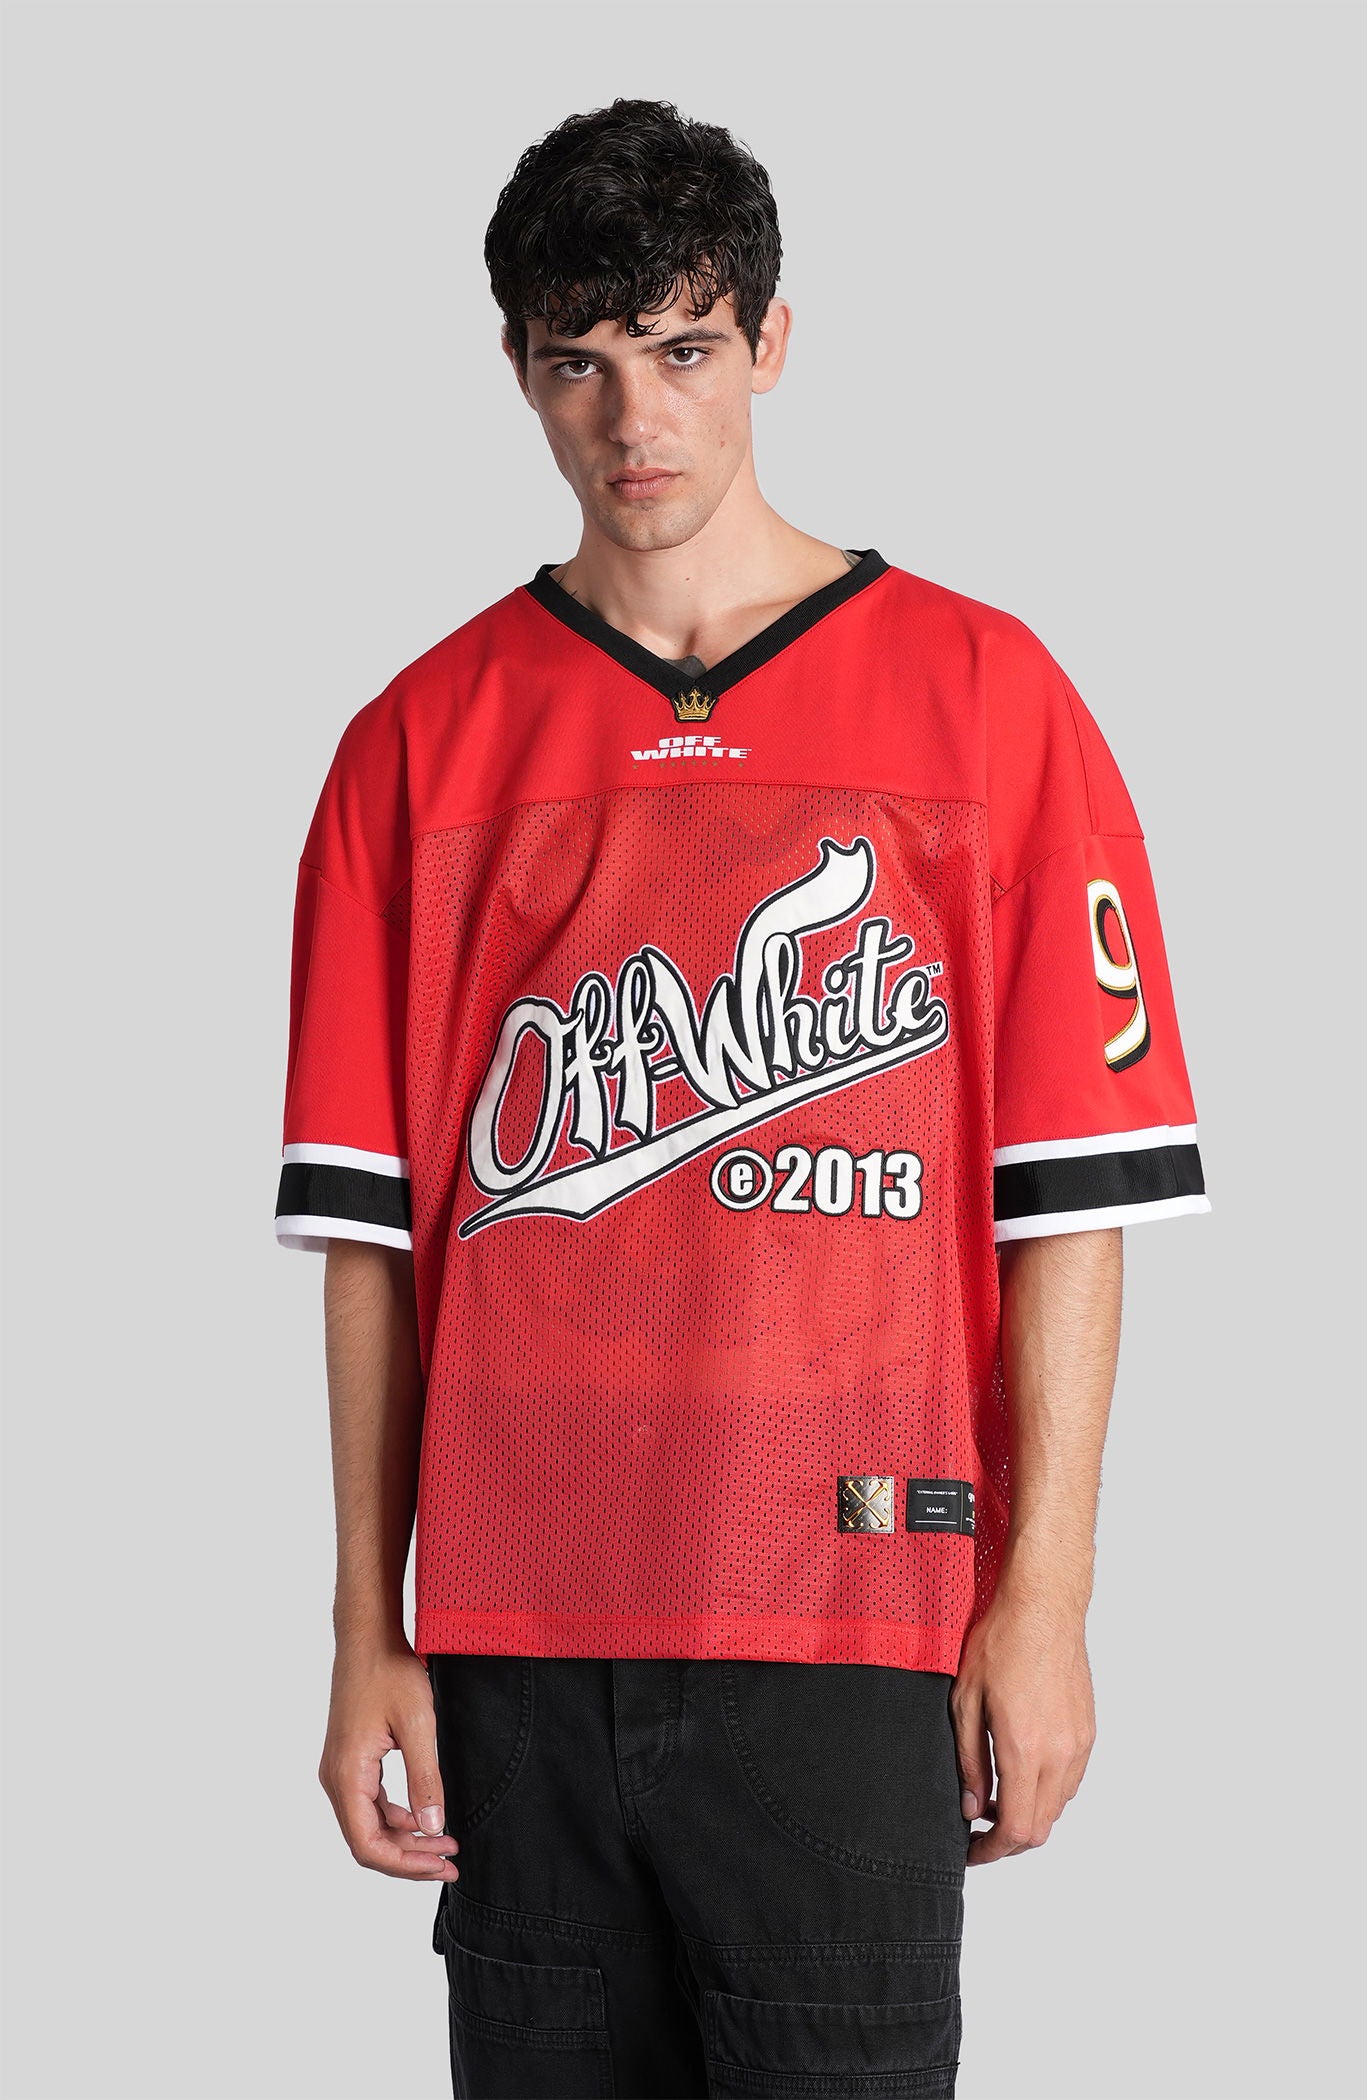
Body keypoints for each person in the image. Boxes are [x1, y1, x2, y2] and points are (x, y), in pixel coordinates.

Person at [274, 96, 1209, 2099]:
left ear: (771, 344)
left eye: (684, 349)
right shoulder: (413, 746)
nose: (638, 419)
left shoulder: (988, 700)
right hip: (520, 1638)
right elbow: (371, 1244)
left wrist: (1045, 1602)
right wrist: (368, 1623)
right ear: (518, 368)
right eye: (581, 363)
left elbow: (1070, 1203)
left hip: (851, 1610)